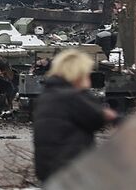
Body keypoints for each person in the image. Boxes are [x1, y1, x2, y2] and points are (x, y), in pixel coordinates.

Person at [33, 49, 117, 181]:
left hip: (49, 170)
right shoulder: (71, 97)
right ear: (78, 74)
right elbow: (96, 119)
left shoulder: (47, 96)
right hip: (70, 171)